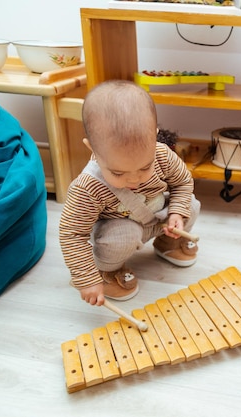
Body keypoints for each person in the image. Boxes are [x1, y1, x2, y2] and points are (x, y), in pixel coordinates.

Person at [59, 80, 200, 306]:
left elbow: (183, 182)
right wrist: (86, 279)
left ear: (154, 137)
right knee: (122, 235)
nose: (134, 179)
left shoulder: (162, 154)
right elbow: (72, 235)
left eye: (145, 167)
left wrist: (176, 214)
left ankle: (168, 243)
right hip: (121, 230)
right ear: (92, 148)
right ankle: (107, 271)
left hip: (160, 219)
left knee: (190, 206)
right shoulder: (86, 188)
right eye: (118, 172)